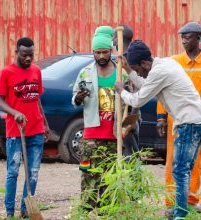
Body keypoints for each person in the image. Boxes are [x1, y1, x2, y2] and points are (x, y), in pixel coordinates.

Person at [114, 40, 201, 218]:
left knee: (180, 170)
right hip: (196, 120)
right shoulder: (164, 64)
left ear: (144, 63)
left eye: (137, 68)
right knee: (183, 169)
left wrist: (121, 91)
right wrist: (128, 70)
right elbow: (146, 85)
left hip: (189, 123)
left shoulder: (159, 71)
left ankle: (180, 213)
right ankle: (181, 207)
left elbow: (138, 100)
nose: (139, 72)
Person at [157, 21, 201, 213]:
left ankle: (191, 200)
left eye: (187, 37)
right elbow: (164, 89)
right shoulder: (173, 61)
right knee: (173, 160)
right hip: (176, 118)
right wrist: (161, 116)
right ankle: (172, 203)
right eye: (182, 38)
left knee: (197, 160)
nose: (184, 41)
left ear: (198, 38)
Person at [72, 25, 127, 209]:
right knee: (88, 175)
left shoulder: (121, 72)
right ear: (93, 52)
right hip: (91, 135)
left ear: (111, 50)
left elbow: (131, 100)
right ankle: (86, 212)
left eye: (105, 52)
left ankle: (106, 212)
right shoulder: (85, 73)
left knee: (109, 177)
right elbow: (74, 99)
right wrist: (78, 97)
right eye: (97, 52)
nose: (101, 56)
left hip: (114, 135)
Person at [0, 37, 50, 219]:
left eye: (31, 55)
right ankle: (10, 212)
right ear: (16, 52)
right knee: (13, 172)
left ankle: (26, 211)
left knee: (33, 173)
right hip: (15, 131)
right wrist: (14, 112)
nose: (28, 59)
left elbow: (37, 99)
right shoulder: (6, 72)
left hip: (36, 129)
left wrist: (46, 124)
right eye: (24, 55)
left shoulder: (36, 71)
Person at [113, 24, 141, 156]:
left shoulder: (129, 58)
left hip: (129, 113)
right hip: (124, 111)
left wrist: (132, 119)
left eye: (114, 38)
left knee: (131, 155)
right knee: (125, 153)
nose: (113, 42)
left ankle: (134, 177)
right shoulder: (121, 57)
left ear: (117, 39)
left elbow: (137, 89)